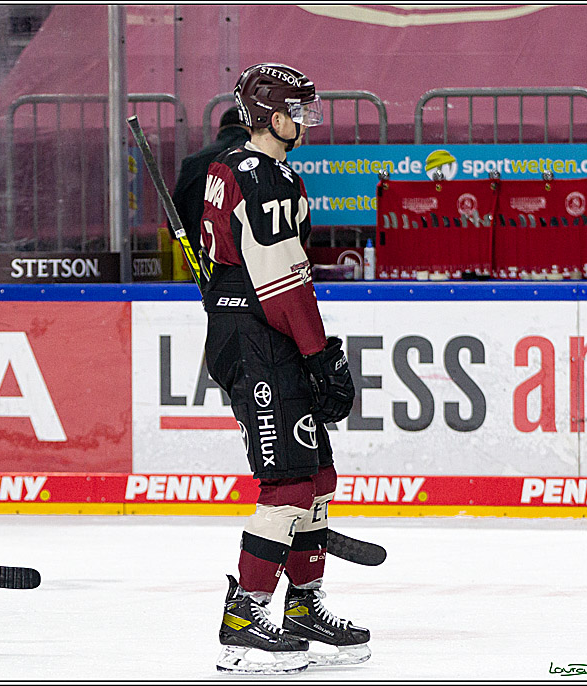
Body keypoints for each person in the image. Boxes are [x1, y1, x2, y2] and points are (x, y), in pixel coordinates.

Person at [201, 64, 370, 674]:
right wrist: (320, 355)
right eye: (297, 109)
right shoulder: (264, 179)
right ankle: (243, 617)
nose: (304, 119)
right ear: (271, 115)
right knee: (289, 483)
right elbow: (284, 285)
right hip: (261, 343)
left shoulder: (237, 168)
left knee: (317, 474)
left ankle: (301, 605)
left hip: (255, 336)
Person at [172, 106, 251, 274]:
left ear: (220, 130)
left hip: (204, 260)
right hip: (248, 261)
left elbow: (176, 220)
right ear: (250, 128)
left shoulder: (193, 162)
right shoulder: (257, 160)